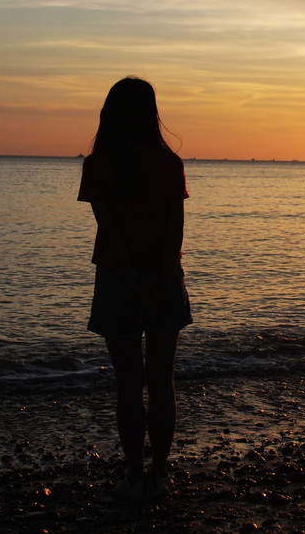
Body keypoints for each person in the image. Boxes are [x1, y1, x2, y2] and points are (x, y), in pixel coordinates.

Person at [77, 76, 192, 501]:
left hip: (116, 281)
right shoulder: (169, 164)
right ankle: (159, 475)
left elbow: (108, 233)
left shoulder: (98, 165)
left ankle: (133, 476)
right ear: (151, 114)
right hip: (163, 279)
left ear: (110, 113)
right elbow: (173, 233)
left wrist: (137, 289)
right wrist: (160, 287)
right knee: (162, 380)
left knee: (128, 383)